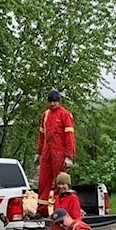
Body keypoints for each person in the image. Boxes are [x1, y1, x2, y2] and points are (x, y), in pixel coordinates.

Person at [35, 88, 75, 217]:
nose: (52, 104)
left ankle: (60, 210)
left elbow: (69, 137)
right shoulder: (45, 115)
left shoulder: (65, 115)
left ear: (59, 101)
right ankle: (41, 210)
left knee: (60, 182)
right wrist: (39, 153)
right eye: (50, 102)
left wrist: (69, 156)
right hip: (47, 152)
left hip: (60, 153)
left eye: (55, 102)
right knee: (43, 181)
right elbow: (41, 136)